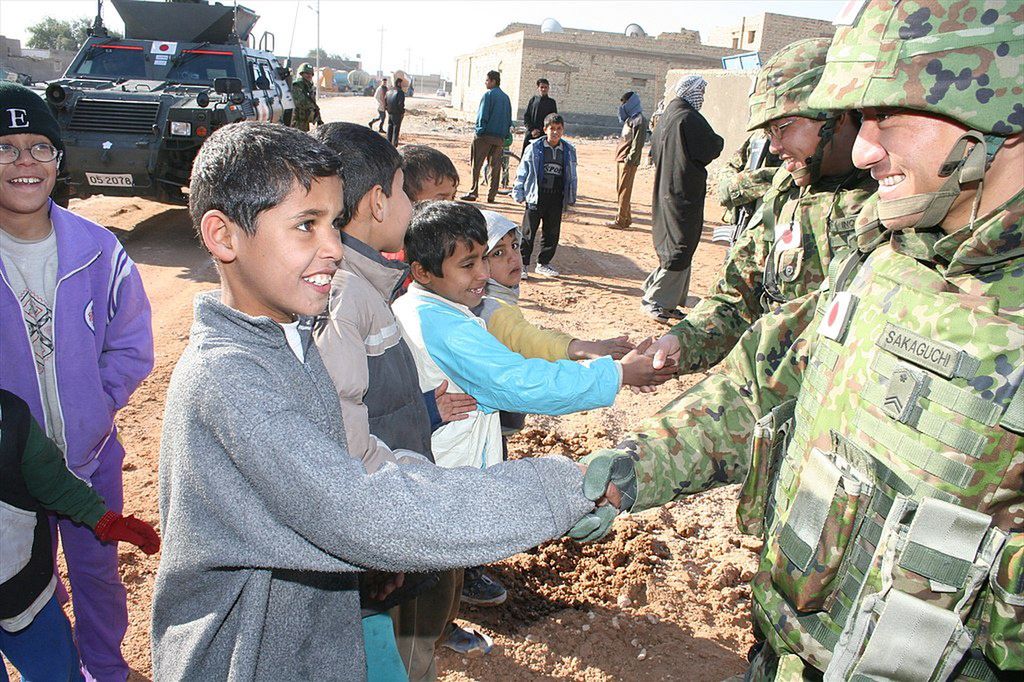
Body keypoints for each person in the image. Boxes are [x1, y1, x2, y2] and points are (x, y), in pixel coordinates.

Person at [572, 1, 1024, 677]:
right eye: (861, 118)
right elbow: (764, 383)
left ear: (1002, 114)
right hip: (784, 649)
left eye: (889, 116)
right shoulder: (886, 254)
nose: (867, 146)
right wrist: (629, 471)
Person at [151, 122, 610, 681]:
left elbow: (344, 473)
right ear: (224, 237)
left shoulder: (287, 338)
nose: (331, 247)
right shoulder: (232, 382)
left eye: (333, 222)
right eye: (306, 226)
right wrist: (567, 485)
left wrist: (368, 562)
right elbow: (359, 509)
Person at [0, 81, 155, 682]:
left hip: (90, 459)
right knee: (24, 577)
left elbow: (132, 343)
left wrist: (93, 404)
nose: (24, 162)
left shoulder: (98, 249)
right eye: (6, 148)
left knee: (97, 574)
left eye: (39, 146)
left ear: (59, 159)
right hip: (7, 472)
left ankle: (104, 668)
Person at [310, 124, 474, 679]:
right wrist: (379, 541)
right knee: (397, 661)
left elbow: (367, 403)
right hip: (384, 525)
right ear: (378, 202)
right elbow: (341, 430)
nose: (409, 204)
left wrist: (424, 409)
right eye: (405, 192)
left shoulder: (367, 284)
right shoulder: (344, 293)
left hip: (393, 514)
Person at [393, 200, 675, 472]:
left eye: (483, 258)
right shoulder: (448, 329)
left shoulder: (417, 306)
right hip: (455, 474)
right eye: (468, 265)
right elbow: (520, 382)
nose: (482, 274)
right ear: (423, 271)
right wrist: (618, 374)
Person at [651, 37, 877, 375]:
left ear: (835, 114)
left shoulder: (894, 204)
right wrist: (684, 342)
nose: (773, 147)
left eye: (782, 128)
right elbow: (737, 299)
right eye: (768, 132)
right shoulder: (787, 195)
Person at [0, 389, 160, 682]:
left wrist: (104, 520)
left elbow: (53, 481)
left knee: (57, 671)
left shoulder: (10, 416)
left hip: (27, 591)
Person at [641, 75, 724, 323]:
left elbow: (654, 151)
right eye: (701, 92)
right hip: (682, 193)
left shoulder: (667, 117)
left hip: (666, 191)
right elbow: (712, 146)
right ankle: (656, 300)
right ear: (691, 92)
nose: (703, 97)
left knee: (675, 244)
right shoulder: (688, 117)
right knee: (680, 246)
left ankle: (667, 300)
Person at [513, 113, 578, 278]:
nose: (555, 132)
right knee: (528, 232)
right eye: (552, 129)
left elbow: (572, 175)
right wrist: (519, 190)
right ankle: (523, 265)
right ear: (545, 130)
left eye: (559, 129)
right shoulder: (534, 148)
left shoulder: (568, 150)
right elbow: (523, 170)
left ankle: (543, 264)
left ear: (563, 130)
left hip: (556, 197)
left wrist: (570, 197)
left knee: (551, 232)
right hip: (536, 195)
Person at [715, 130, 779, 241]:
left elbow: (787, 176)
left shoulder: (805, 133)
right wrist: (732, 183)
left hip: (774, 224)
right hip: (745, 216)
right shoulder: (760, 135)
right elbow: (730, 166)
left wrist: (743, 184)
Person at [461, 70, 511, 203]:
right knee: (495, 168)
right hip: (500, 138)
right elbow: (508, 118)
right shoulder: (506, 98)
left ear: (493, 81)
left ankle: (474, 191)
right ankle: (491, 195)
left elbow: (482, 115)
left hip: (485, 136)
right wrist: (505, 135)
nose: (486, 82)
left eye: (487, 80)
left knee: (476, 164)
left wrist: (479, 131)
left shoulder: (488, 95)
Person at [606, 91, 647, 230]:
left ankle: (620, 220)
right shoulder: (630, 119)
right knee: (621, 189)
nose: (622, 106)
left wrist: (630, 160)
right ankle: (627, 218)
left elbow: (637, 144)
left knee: (624, 190)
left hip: (628, 162)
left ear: (631, 103)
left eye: (624, 102)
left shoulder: (639, 120)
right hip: (621, 159)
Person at [521, 77, 557, 156]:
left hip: (544, 135)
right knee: (527, 156)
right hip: (531, 133)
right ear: (538, 88)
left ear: (548, 88)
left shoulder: (551, 103)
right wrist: (532, 130)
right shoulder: (533, 100)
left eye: (545, 87)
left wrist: (543, 131)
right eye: (541, 87)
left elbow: (554, 120)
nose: (543, 89)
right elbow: (527, 116)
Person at [291, 62, 320, 132]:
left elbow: (313, 102)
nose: (309, 76)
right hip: (297, 121)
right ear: (301, 74)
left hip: (305, 121)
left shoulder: (309, 87)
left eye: (311, 74)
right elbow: (300, 102)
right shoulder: (297, 86)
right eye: (306, 73)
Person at [385, 77, 406, 147]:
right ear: (399, 83)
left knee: (389, 128)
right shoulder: (400, 92)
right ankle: (394, 145)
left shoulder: (388, 92)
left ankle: (388, 144)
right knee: (396, 130)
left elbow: (385, 102)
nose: (402, 85)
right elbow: (400, 104)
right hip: (397, 114)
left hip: (390, 113)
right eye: (401, 84)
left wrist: (388, 109)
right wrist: (402, 111)